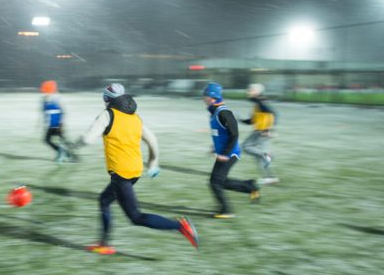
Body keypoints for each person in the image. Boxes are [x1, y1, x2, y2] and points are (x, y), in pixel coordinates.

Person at [70, 83, 199, 254]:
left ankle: (180, 226)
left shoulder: (108, 115)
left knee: (136, 217)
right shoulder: (135, 117)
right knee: (104, 200)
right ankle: (104, 242)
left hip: (121, 174)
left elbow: (87, 139)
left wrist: (72, 146)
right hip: (134, 171)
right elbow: (153, 140)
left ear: (106, 99)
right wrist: (153, 162)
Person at [202, 82, 260, 219]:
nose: (203, 99)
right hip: (224, 152)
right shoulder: (214, 112)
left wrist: (225, 153)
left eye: (204, 96)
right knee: (220, 181)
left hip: (230, 154)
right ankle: (250, 186)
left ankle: (226, 210)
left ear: (211, 97)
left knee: (215, 182)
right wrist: (214, 148)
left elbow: (234, 134)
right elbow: (220, 133)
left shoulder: (224, 112)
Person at [241, 83, 278, 182]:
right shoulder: (257, 103)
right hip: (261, 131)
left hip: (262, 132)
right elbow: (252, 120)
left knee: (245, 146)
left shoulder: (261, 102)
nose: (248, 92)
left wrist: (268, 130)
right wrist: (240, 120)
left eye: (250, 90)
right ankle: (270, 177)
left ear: (257, 92)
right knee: (258, 157)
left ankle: (267, 155)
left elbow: (274, 113)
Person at [39, 80, 74, 163]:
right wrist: (44, 124)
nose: (44, 92)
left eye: (46, 90)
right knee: (47, 140)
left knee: (63, 141)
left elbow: (62, 112)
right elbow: (45, 113)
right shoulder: (44, 100)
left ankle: (69, 156)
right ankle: (62, 153)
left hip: (57, 125)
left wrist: (60, 125)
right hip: (50, 125)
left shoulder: (56, 99)